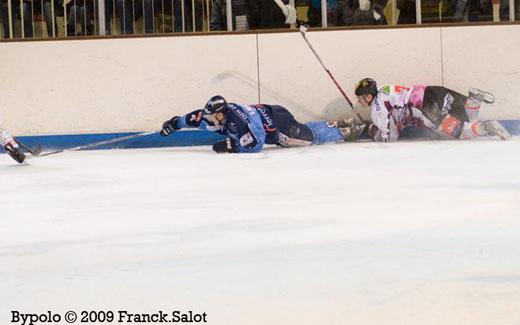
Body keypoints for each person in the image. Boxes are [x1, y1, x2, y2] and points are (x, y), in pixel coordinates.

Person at [159, 95, 364, 153]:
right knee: (305, 128)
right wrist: (175, 123)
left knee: (309, 138)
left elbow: (256, 142)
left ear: (221, 115)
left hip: (277, 127)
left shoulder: (240, 122)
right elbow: (194, 118)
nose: (208, 118)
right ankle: (333, 124)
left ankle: (346, 132)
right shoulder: (215, 115)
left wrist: (232, 147)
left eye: (212, 116)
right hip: (272, 111)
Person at [354, 78, 511, 142]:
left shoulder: (377, 107)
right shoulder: (384, 88)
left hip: (426, 110)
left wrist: (372, 130)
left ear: (369, 97)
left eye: (360, 97)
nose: (358, 101)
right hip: (432, 91)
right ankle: (474, 100)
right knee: (466, 117)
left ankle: (487, 127)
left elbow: (390, 137)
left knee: (462, 132)